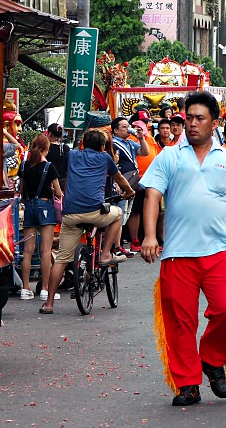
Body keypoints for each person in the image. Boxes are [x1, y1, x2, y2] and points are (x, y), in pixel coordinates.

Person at [140, 91, 226, 407]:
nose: (193, 124)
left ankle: (213, 360)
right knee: (180, 322)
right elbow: (153, 197)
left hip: (218, 252)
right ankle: (187, 384)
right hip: (177, 254)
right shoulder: (169, 156)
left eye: (200, 118)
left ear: (214, 122)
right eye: (189, 118)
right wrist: (149, 236)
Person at [40, 129, 135, 314]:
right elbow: (120, 179)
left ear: (83, 143)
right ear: (102, 146)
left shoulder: (73, 155)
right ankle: (106, 253)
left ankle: (49, 303)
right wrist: (129, 191)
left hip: (70, 214)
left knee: (61, 259)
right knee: (117, 214)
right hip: (94, 213)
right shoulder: (105, 158)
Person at [19, 134, 63, 301]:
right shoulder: (49, 167)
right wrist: (52, 191)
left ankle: (25, 288)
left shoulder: (24, 166)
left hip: (29, 206)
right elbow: (58, 192)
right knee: (45, 250)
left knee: (27, 251)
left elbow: (22, 192)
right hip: (45, 207)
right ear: (46, 149)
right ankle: (45, 289)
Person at [111, 116, 148, 257]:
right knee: (119, 213)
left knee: (126, 213)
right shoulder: (113, 144)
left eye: (128, 126)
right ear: (115, 130)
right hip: (121, 182)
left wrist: (141, 138)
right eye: (124, 127)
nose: (128, 129)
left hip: (132, 181)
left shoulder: (130, 143)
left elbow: (145, 153)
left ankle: (118, 245)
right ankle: (116, 245)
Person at [127, 115, 160, 253]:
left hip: (151, 179)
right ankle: (134, 239)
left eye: (146, 122)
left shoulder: (149, 137)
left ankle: (150, 237)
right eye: (141, 122)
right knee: (135, 211)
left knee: (150, 208)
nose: (144, 125)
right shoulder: (129, 139)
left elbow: (150, 153)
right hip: (136, 179)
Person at [44, 123, 70, 193]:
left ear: (49, 134)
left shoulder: (46, 149)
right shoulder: (65, 148)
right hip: (63, 182)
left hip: (48, 182)